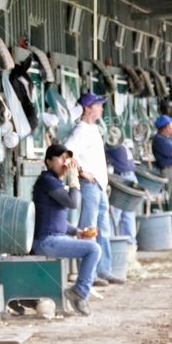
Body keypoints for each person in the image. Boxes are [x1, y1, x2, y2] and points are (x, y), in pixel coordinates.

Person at [29, 144, 102, 316]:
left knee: (91, 245)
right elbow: (73, 203)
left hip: (54, 238)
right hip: (46, 241)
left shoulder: (55, 182)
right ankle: (79, 292)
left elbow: (56, 219)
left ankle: (79, 291)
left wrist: (77, 231)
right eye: (61, 158)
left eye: (67, 158)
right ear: (48, 162)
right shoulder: (47, 180)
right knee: (93, 249)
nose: (65, 162)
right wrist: (74, 180)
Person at [64, 92, 120, 285]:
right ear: (87, 108)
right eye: (98, 105)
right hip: (89, 184)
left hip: (99, 185)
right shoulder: (80, 129)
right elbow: (67, 152)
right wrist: (81, 171)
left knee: (103, 228)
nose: (101, 108)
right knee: (89, 229)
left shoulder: (93, 128)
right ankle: (90, 274)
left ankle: (104, 270)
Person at [104, 128, 138, 246]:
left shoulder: (110, 144)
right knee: (128, 213)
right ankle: (129, 245)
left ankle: (112, 243)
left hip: (123, 178)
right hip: (131, 176)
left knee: (115, 213)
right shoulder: (121, 143)